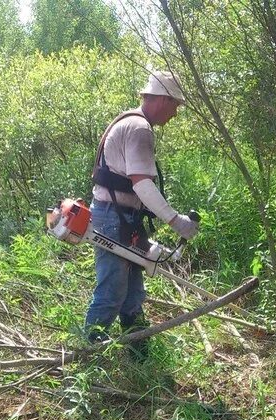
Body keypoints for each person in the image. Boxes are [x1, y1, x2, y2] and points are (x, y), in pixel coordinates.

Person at [84, 70, 200, 350]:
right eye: (175, 106)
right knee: (112, 292)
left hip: (121, 218)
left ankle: (139, 354)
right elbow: (142, 185)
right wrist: (177, 222)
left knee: (133, 293)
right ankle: (86, 356)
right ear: (162, 100)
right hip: (114, 218)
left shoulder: (129, 122)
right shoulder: (139, 128)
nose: (175, 114)